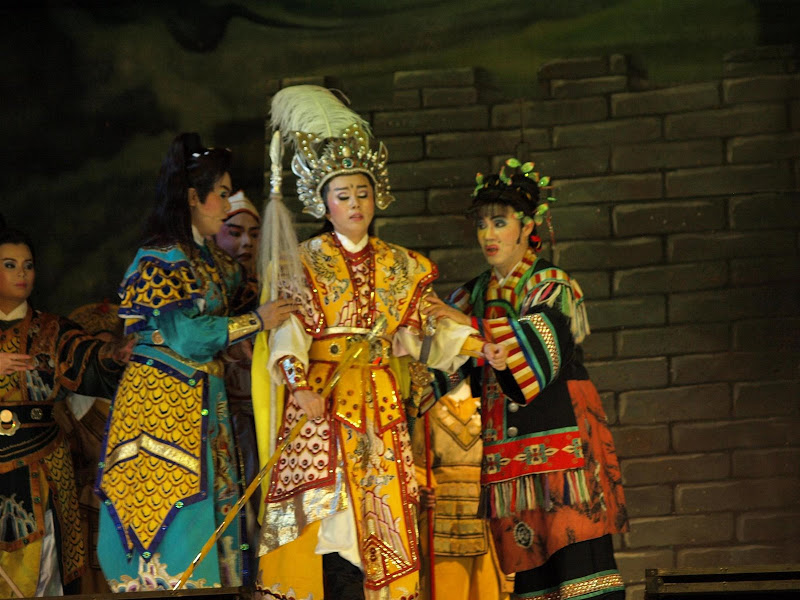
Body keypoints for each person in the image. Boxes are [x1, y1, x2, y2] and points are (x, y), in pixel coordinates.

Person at [256, 85, 507, 600]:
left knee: (383, 526)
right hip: (322, 406)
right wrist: (297, 384)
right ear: (324, 204)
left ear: (378, 198)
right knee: (329, 528)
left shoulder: (402, 265)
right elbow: (288, 331)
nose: (355, 204)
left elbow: (430, 326)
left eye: (362, 194)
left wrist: (480, 348)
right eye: (343, 195)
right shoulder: (303, 260)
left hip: (380, 410)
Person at [95, 133, 294, 591]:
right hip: (160, 404)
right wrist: (256, 321)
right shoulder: (161, 256)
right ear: (192, 198)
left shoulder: (213, 262)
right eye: (220, 193)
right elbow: (185, 336)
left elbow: (250, 297)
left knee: (215, 510)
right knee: (171, 515)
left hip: (204, 401)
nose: (227, 204)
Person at [423, 159, 629, 600]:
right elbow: (441, 364)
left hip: (563, 450)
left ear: (527, 226)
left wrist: (470, 329)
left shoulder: (551, 284)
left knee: (581, 573)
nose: (489, 234)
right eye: (482, 224)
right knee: (533, 578)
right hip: (510, 460)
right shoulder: (472, 294)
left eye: (500, 222)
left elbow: (535, 352)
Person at [0, 228, 130, 598]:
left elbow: (86, 357)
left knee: (49, 566)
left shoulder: (52, 329)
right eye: (10, 265)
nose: (21, 273)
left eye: (28, 265)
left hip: (44, 461)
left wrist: (115, 355)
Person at [411, 376, 513, 600]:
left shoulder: (490, 399)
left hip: (485, 514)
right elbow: (416, 461)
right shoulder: (426, 402)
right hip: (441, 518)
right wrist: (422, 488)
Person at [214, 190, 262, 579]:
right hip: (215, 418)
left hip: (263, 419)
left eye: (254, 233)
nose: (246, 242)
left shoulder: (270, 290)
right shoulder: (207, 293)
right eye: (234, 232)